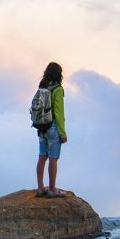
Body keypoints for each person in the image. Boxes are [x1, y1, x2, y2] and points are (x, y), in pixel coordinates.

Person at [36, 62, 68, 198]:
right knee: (53, 158)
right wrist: (62, 132)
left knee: (42, 157)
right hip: (53, 126)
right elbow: (59, 113)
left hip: (41, 126)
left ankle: (40, 188)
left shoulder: (43, 86)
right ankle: (52, 189)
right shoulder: (58, 89)